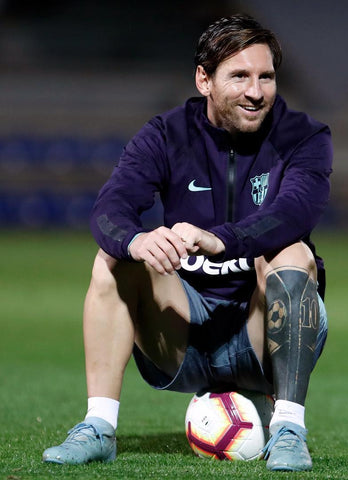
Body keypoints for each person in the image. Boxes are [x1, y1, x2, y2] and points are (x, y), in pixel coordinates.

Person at [42, 13, 333, 472]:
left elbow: (294, 212)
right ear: (204, 79)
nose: (256, 92)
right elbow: (109, 208)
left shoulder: (305, 137)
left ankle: (290, 429)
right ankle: (98, 427)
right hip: (181, 335)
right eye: (239, 76)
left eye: (266, 77)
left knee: (293, 253)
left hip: (263, 335)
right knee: (112, 259)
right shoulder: (164, 135)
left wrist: (221, 240)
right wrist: (136, 240)